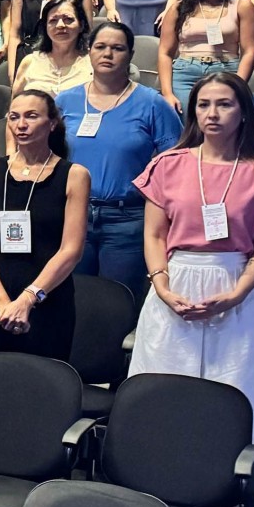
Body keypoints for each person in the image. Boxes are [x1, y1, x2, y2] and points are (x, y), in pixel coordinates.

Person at [132, 73, 254, 504]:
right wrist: (162, 285)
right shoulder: (168, 164)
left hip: (237, 285)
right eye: (203, 104)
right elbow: (154, 235)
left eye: (224, 104)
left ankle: (240, 498)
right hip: (175, 284)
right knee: (167, 390)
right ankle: (161, 489)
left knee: (240, 394)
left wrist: (238, 292)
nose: (212, 114)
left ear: (243, 112)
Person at [57, 20, 182, 300]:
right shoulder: (65, 101)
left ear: (130, 55)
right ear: (89, 51)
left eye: (117, 48)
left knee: (119, 300)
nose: (107, 54)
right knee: (73, 300)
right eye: (100, 47)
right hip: (72, 216)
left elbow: (175, 164)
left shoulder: (152, 103)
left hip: (127, 220)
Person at [0, 90, 88, 359]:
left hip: (47, 295)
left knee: (43, 377)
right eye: (14, 117)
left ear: (52, 123)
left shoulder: (74, 175)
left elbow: (71, 250)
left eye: (31, 116)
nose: (21, 125)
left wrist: (28, 299)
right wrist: (2, 302)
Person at [160, 0, 254, 110]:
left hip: (227, 70)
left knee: (221, 118)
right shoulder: (179, 8)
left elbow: (250, 51)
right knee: (188, 120)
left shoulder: (242, 6)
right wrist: (167, 93)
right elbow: (164, 53)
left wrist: (239, 86)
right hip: (186, 72)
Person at [13, 0, 90, 98]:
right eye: (53, 20)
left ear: (81, 25)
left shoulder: (92, 63)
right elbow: (15, 104)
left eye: (68, 19)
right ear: (45, 27)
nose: (60, 25)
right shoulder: (29, 62)